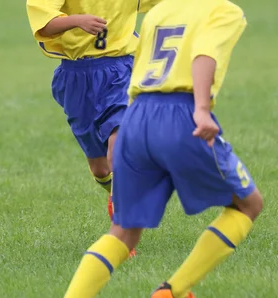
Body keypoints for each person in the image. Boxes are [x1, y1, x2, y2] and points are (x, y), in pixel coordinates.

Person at [62, 0, 263, 297]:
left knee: (123, 231)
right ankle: (173, 291)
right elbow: (205, 54)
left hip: (137, 113)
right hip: (180, 114)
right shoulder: (223, 10)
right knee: (248, 204)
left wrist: (130, 129)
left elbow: (139, 65)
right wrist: (202, 110)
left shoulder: (159, 11)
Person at [25, 0, 160, 257]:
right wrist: (77, 20)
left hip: (121, 69)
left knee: (118, 145)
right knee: (100, 167)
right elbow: (45, 23)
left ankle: (120, 232)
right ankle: (118, 190)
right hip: (77, 76)